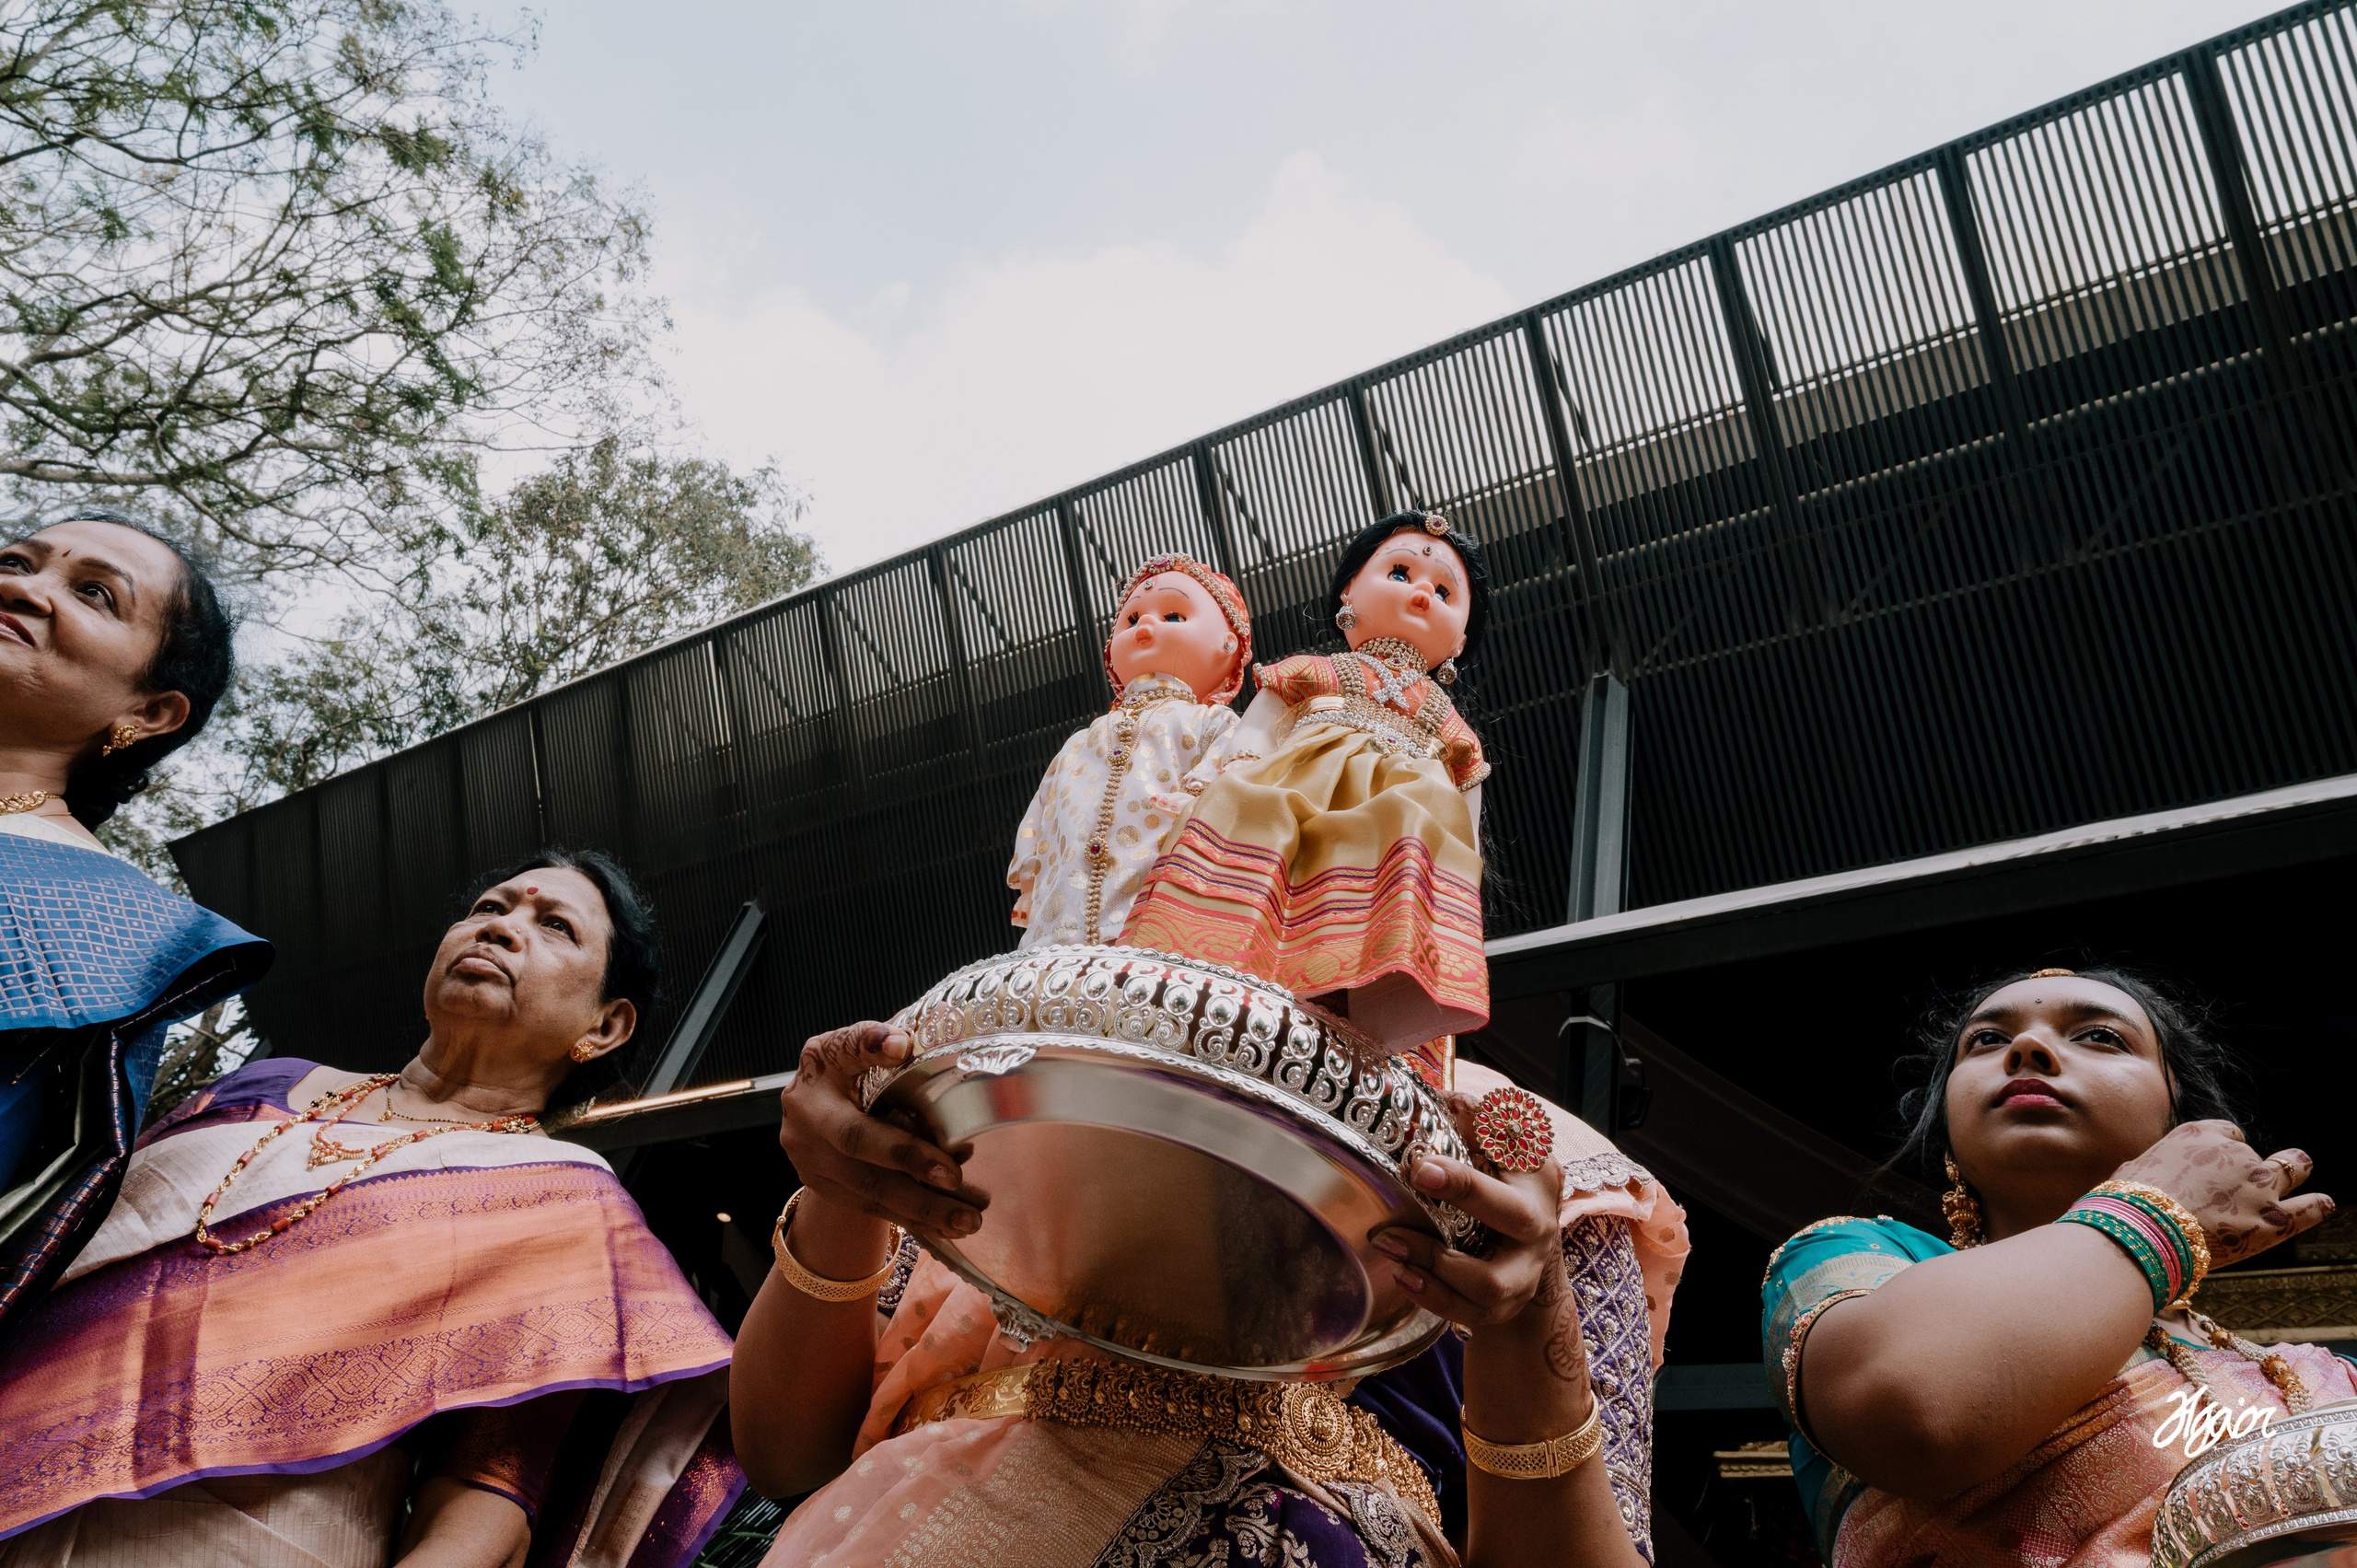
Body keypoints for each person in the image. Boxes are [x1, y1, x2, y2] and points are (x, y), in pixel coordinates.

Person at [0, 849, 742, 1568]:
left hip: (259, 1538)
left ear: (604, 1026)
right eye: (489, 907)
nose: (500, 925)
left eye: (555, 926)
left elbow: (490, 1487)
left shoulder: (563, 1199)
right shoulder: (265, 1085)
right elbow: (61, 1240)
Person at [727, 1017, 1688, 1567]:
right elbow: (785, 1454)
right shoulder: (1036, 1075)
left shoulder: (1539, 1170)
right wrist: (838, 1189)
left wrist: (1528, 1318)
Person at [1761, 966, 2353, 1568]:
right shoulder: (1865, 1266)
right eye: (1987, 1040)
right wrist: (2153, 1220)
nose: (2028, 1047)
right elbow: (1916, 1411)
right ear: (1947, 1121)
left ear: (2180, 1120)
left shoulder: (2320, 1378)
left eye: (2100, 1036)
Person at [0, 505, 271, 1338]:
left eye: (93, 593)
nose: (25, 588)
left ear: (149, 712)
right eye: (17, 560)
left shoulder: (108, 924)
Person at [1120, 512, 1493, 1057]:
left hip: (1397, 834)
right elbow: (1255, 731)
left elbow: (1467, 819)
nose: (1420, 593)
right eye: (1399, 573)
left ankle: (1368, 983)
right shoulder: (1318, 672)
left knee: (1417, 819)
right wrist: (1236, 765)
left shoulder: (1447, 728)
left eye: (1443, 591)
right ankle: (1223, 963)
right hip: (1291, 802)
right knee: (1243, 802)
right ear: (1349, 590)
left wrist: (1462, 879)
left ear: (1460, 637)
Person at [1008, 552, 1252, 947]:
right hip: (1058, 926)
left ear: (1229, 644)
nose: (1146, 626)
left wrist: (1196, 798)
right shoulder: (1078, 742)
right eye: (1132, 619)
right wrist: (1029, 877)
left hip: (1160, 904)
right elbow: (1042, 806)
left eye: (1174, 616)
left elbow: (1237, 768)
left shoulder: (1212, 723)